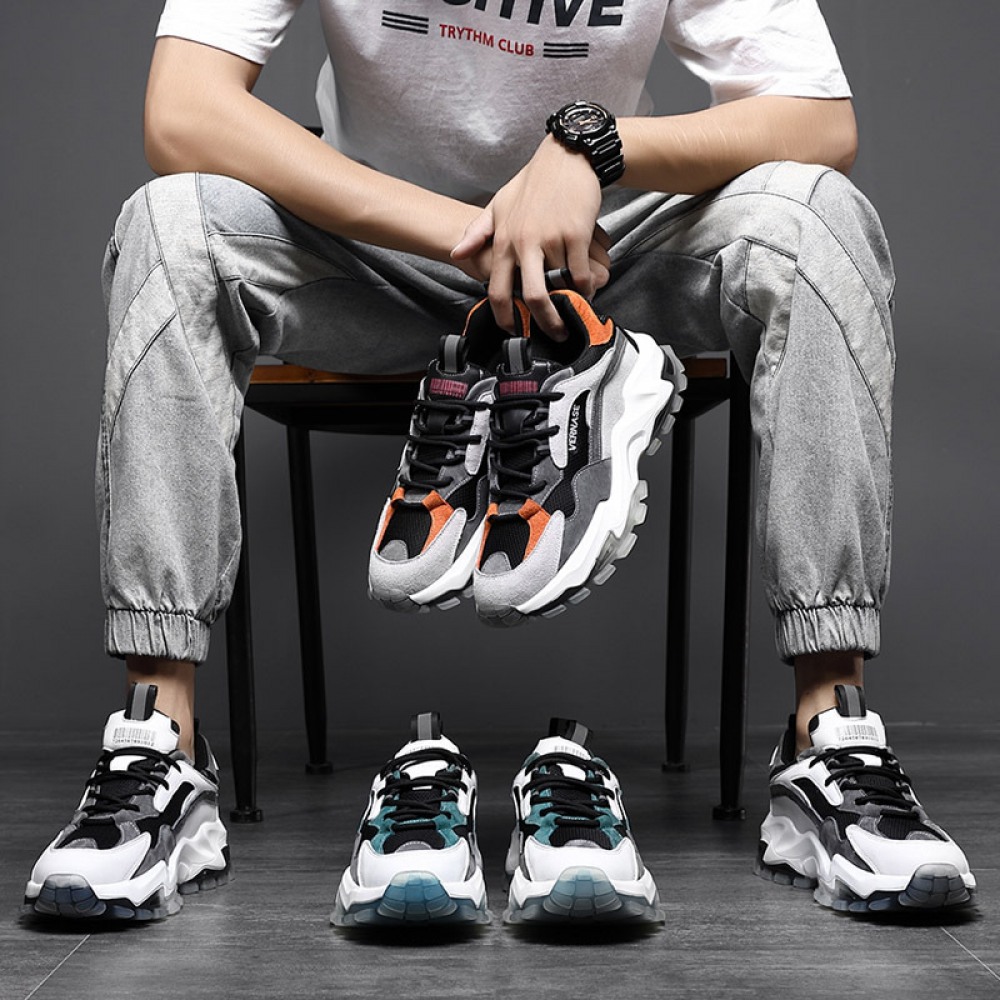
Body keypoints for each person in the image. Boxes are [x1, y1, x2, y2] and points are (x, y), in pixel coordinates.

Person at [24, 0, 975, 925]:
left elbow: (821, 120)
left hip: (605, 254)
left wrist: (593, 148)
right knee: (170, 225)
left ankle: (830, 735)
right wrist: (469, 232)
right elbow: (183, 108)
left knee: (820, 220)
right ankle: (160, 742)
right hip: (378, 256)